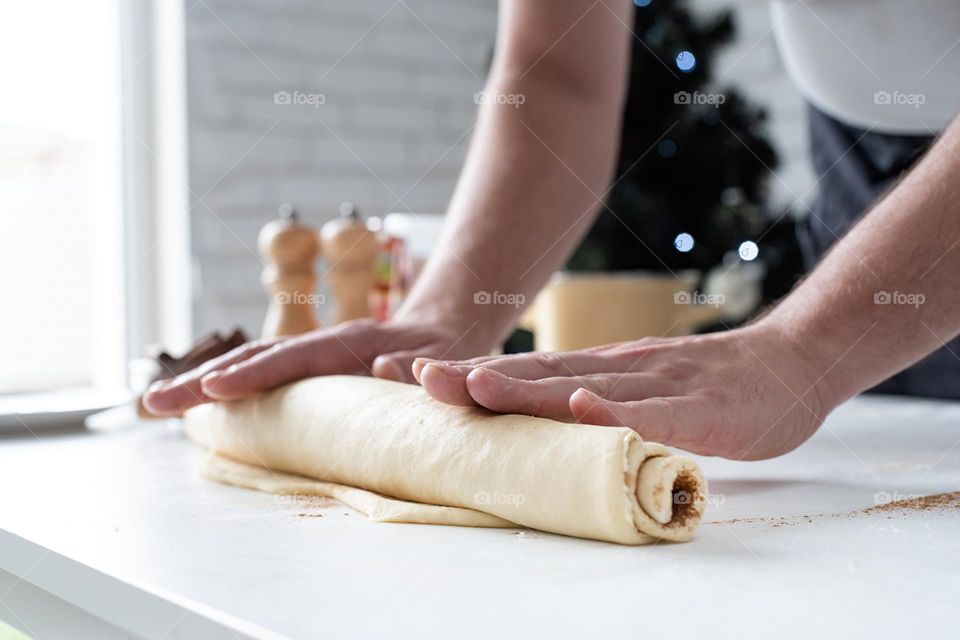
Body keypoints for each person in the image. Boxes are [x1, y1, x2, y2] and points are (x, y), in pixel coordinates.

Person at [144, 0, 960, 461]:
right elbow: (559, 71)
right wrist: (444, 318)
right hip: (865, 155)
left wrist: (807, 349)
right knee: (890, 477)